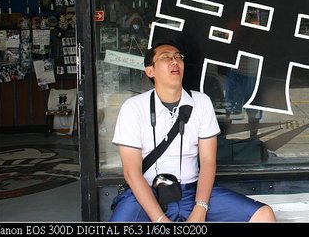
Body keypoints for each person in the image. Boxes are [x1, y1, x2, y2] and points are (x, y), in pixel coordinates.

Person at [109, 40, 276, 222]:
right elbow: (131, 173)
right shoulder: (133, 107)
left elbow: (208, 161)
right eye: (165, 58)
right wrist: (160, 220)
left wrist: (200, 208)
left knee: (264, 215)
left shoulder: (201, 102)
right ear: (150, 71)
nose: (174, 61)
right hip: (147, 193)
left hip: (192, 191)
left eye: (178, 57)